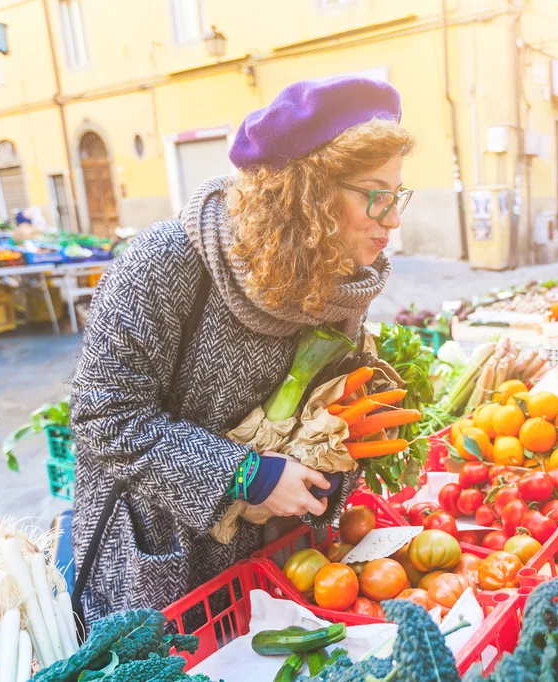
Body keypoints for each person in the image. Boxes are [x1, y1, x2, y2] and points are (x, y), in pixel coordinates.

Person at [69, 77, 414, 624]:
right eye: (376, 194)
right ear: (310, 193)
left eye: (398, 195)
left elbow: (322, 407)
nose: (392, 218)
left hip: (273, 558)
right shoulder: (164, 261)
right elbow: (104, 418)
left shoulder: (342, 281)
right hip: (163, 558)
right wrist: (243, 475)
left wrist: (341, 439)